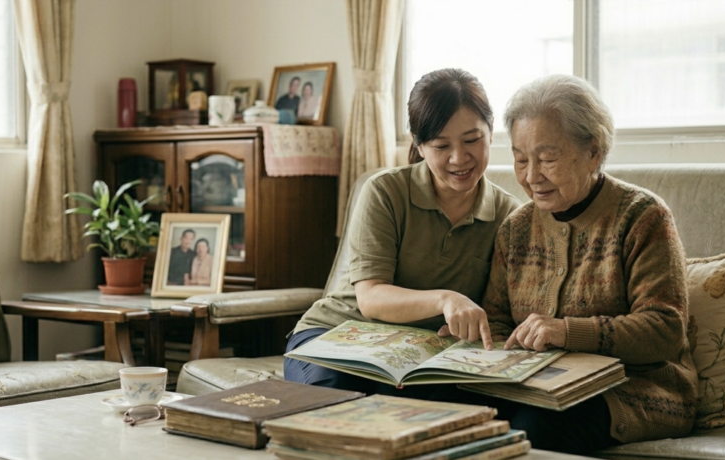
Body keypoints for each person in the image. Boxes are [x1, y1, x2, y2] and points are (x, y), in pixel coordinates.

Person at [482, 74, 698, 454]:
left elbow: (665, 329)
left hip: (635, 390)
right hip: (539, 385)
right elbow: (497, 319)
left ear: (593, 152)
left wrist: (567, 331)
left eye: (547, 159)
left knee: (535, 429)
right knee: (464, 414)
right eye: (520, 159)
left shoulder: (642, 216)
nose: (531, 176)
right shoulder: (516, 229)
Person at [285, 68, 521, 398]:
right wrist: (445, 299)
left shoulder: (510, 215)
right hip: (337, 335)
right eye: (441, 146)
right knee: (336, 397)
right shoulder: (385, 191)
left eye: (472, 140)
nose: (459, 158)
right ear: (419, 145)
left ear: (491, 132)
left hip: (423, 353)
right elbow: (371, 298)